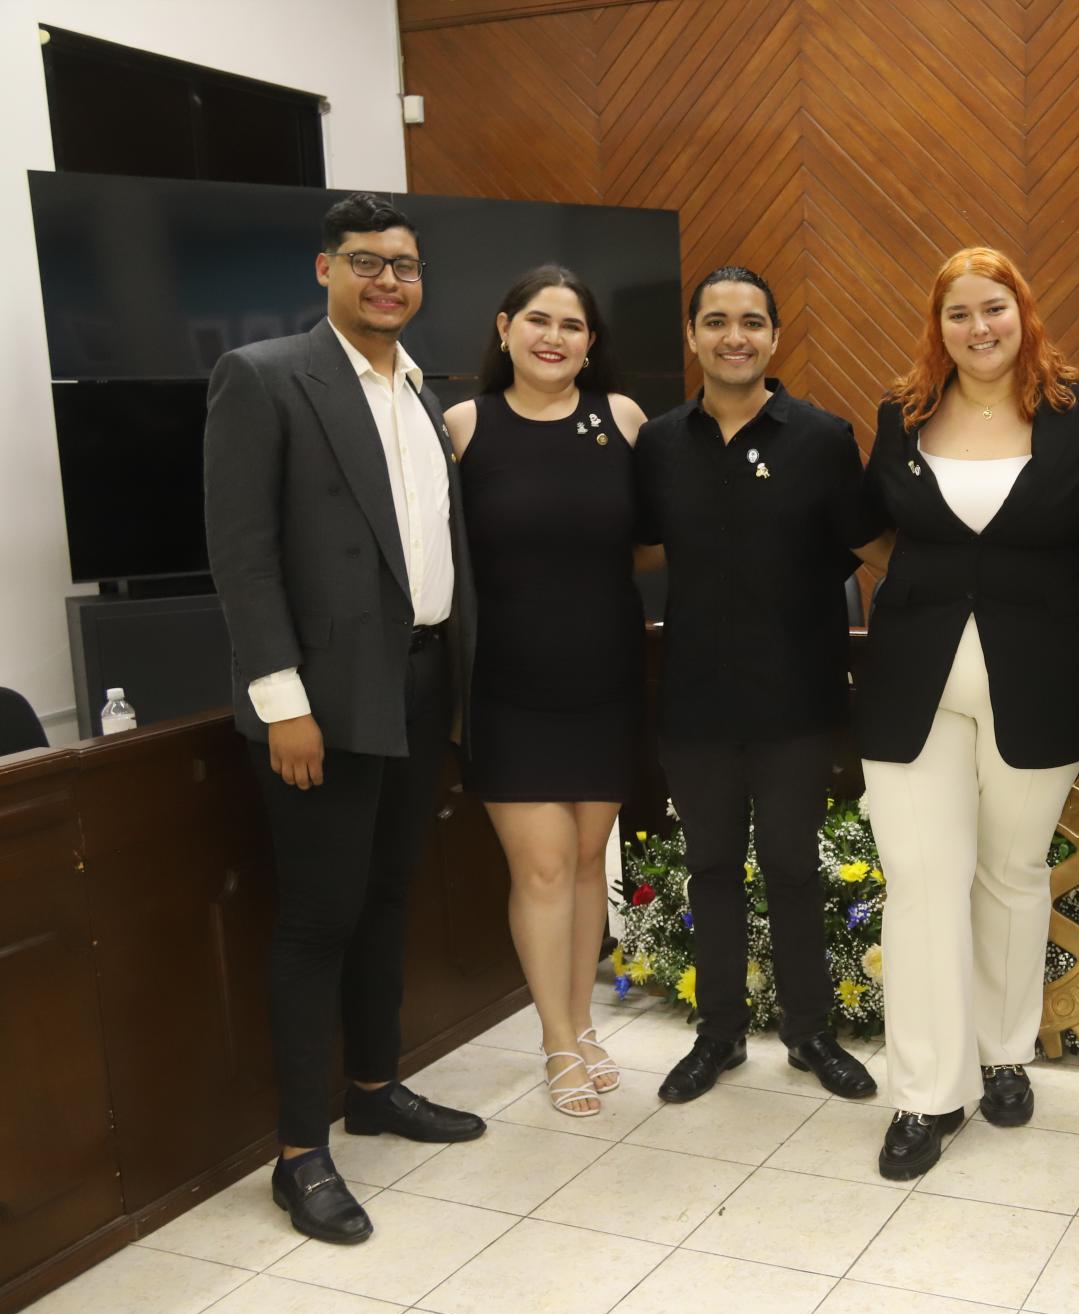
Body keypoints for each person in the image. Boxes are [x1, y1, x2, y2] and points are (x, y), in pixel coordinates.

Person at [204, 192, 485, 1246]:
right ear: (324, 270)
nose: (388, 280)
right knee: (318, 918)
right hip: (319, 704)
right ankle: (297, 1153)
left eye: (404, 265)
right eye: (366, 261)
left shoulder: (419, 394)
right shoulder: (266, 377)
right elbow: (242, 556)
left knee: (385, 902)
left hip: (416, 684)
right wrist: (283, 702)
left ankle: (374, 1085)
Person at [856, 246, 1079, 1180]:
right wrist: (938, 588)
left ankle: (1005, 1051)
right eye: (959, 313)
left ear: (1024, 313)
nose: (979, 328)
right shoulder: (904, 414)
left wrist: (1053, 595)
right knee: (922, 882)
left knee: (1012, 873)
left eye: (995, 309)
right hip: (909, 685)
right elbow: (871, 521)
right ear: (939, 326)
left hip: (1042, 676)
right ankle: (925, 1094)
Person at [636, 266, 878, 1105]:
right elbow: (631, 548)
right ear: (694, 337)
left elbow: (872, 549)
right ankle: (720, 1035)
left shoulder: (823, 437)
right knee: (710, 867)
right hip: (694, 698)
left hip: (797, 698)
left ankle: (812, 1035)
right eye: (715, 321)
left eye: (750, 322)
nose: (733, 335)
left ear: (776, 336)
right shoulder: (660, 443)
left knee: (790, 867)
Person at [441, 265, 648, 1118]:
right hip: (507, 685)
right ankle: (557, 1038)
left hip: (606, 675)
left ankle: (581, 1023)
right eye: (538, 319)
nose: (554, 336)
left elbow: (651, 540)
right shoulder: (462, 425)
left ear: (591, 342)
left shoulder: (623, 420)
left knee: (588, 864)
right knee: (545, 865)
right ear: (503, 329)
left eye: (571, 324)